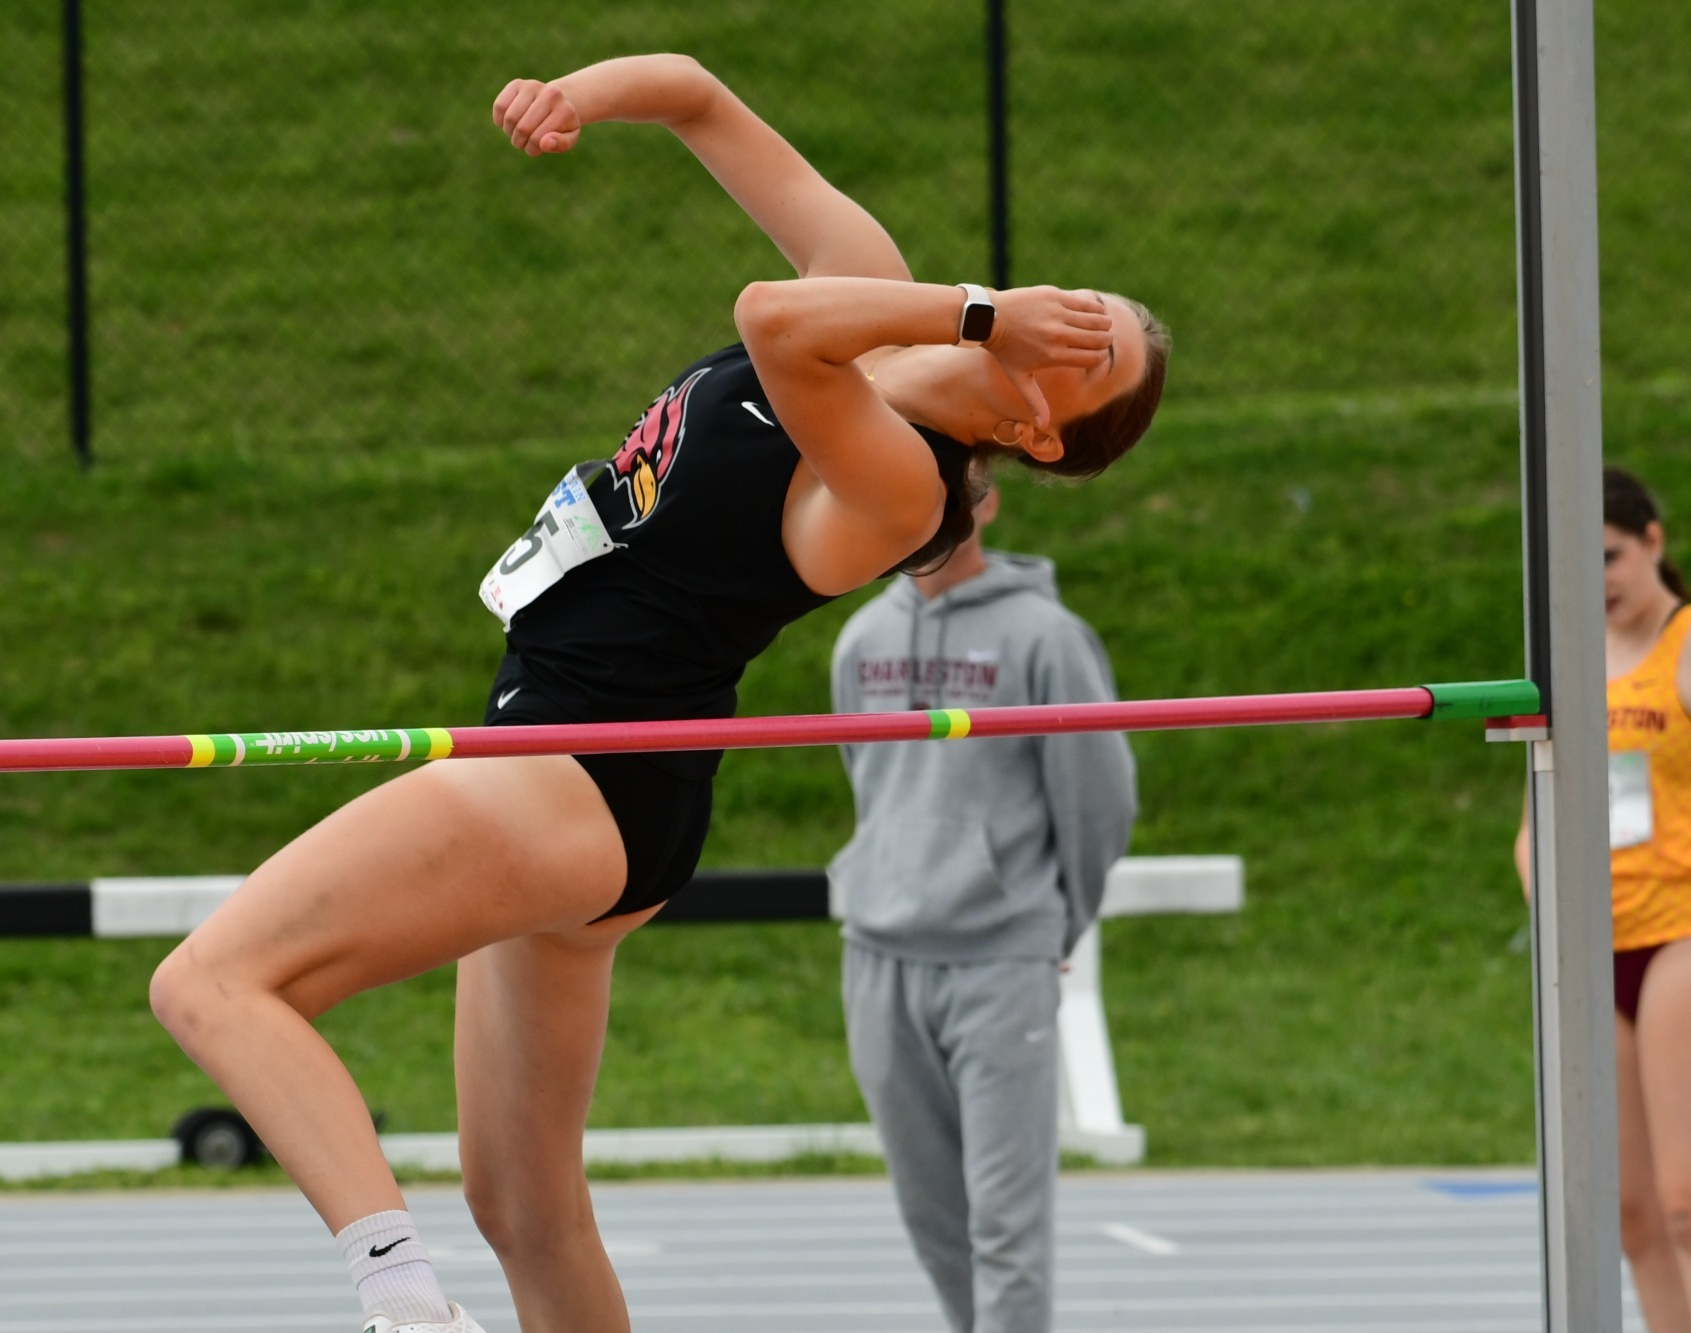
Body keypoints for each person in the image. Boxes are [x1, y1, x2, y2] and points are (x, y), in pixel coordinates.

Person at [148, 52, 1170, 1333]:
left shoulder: (903, 486)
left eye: (1088, 349)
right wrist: (577, 94)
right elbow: (694, 91)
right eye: (1080, 301)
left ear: (1036, 432)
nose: (1065, 314)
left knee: (213, 982)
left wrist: (973, 316)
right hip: (578, 772)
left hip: (578, 776)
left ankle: (404, 1305)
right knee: (524, 1204)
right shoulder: (876, 286)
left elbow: (771, 321)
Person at [829, 489, 1136, 1333]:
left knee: (1006, 1224)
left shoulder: (1047, 638)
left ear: (987, 502)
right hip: (879, 957)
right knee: (933, 1216)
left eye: (946, 496)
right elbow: (870, 783)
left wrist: (1048, 923)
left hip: (1000, 960)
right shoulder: (863, 638)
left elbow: (1098, 799)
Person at [1514, 468, 1691, 1332]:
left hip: (1684, 939)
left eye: (1608, 556)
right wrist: (1551, 909)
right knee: (1632, 1216)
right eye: (1576, 562)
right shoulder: (1570, 656)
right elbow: (1538, 819)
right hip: (1592, 944)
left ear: (1652, 542)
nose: (1596, 580)